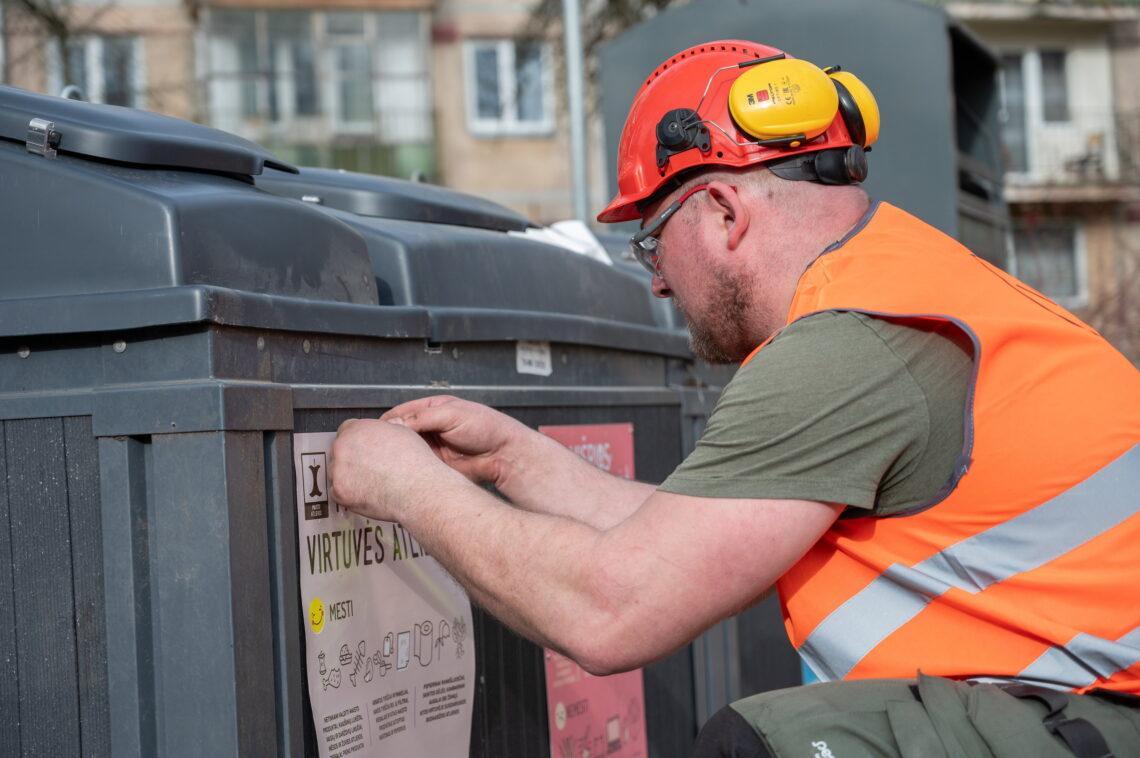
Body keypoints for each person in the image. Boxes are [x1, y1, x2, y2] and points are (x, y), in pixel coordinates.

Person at [330, 40, 1140, 756]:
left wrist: (407, 488)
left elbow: (610, 611)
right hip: (1080, 707)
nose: (651, 276)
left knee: (761, 745)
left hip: (1099, 718)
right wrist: (514, 459)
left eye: (652, 237)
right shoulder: (896, 286)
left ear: (721, 210)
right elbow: (690, 547)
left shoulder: (850, 344)